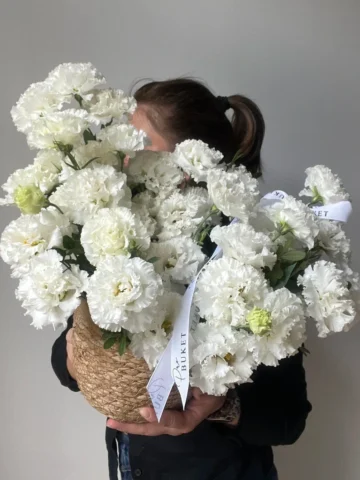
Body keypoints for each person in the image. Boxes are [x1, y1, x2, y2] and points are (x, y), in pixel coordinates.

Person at [52, 78, 312, 480]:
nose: (123, 163)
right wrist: (75, 358)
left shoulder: (245, 257)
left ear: (192, 162)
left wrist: (220, 404)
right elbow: (68, 357)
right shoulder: (119, 240)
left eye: (140, 150)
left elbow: (288, 419)